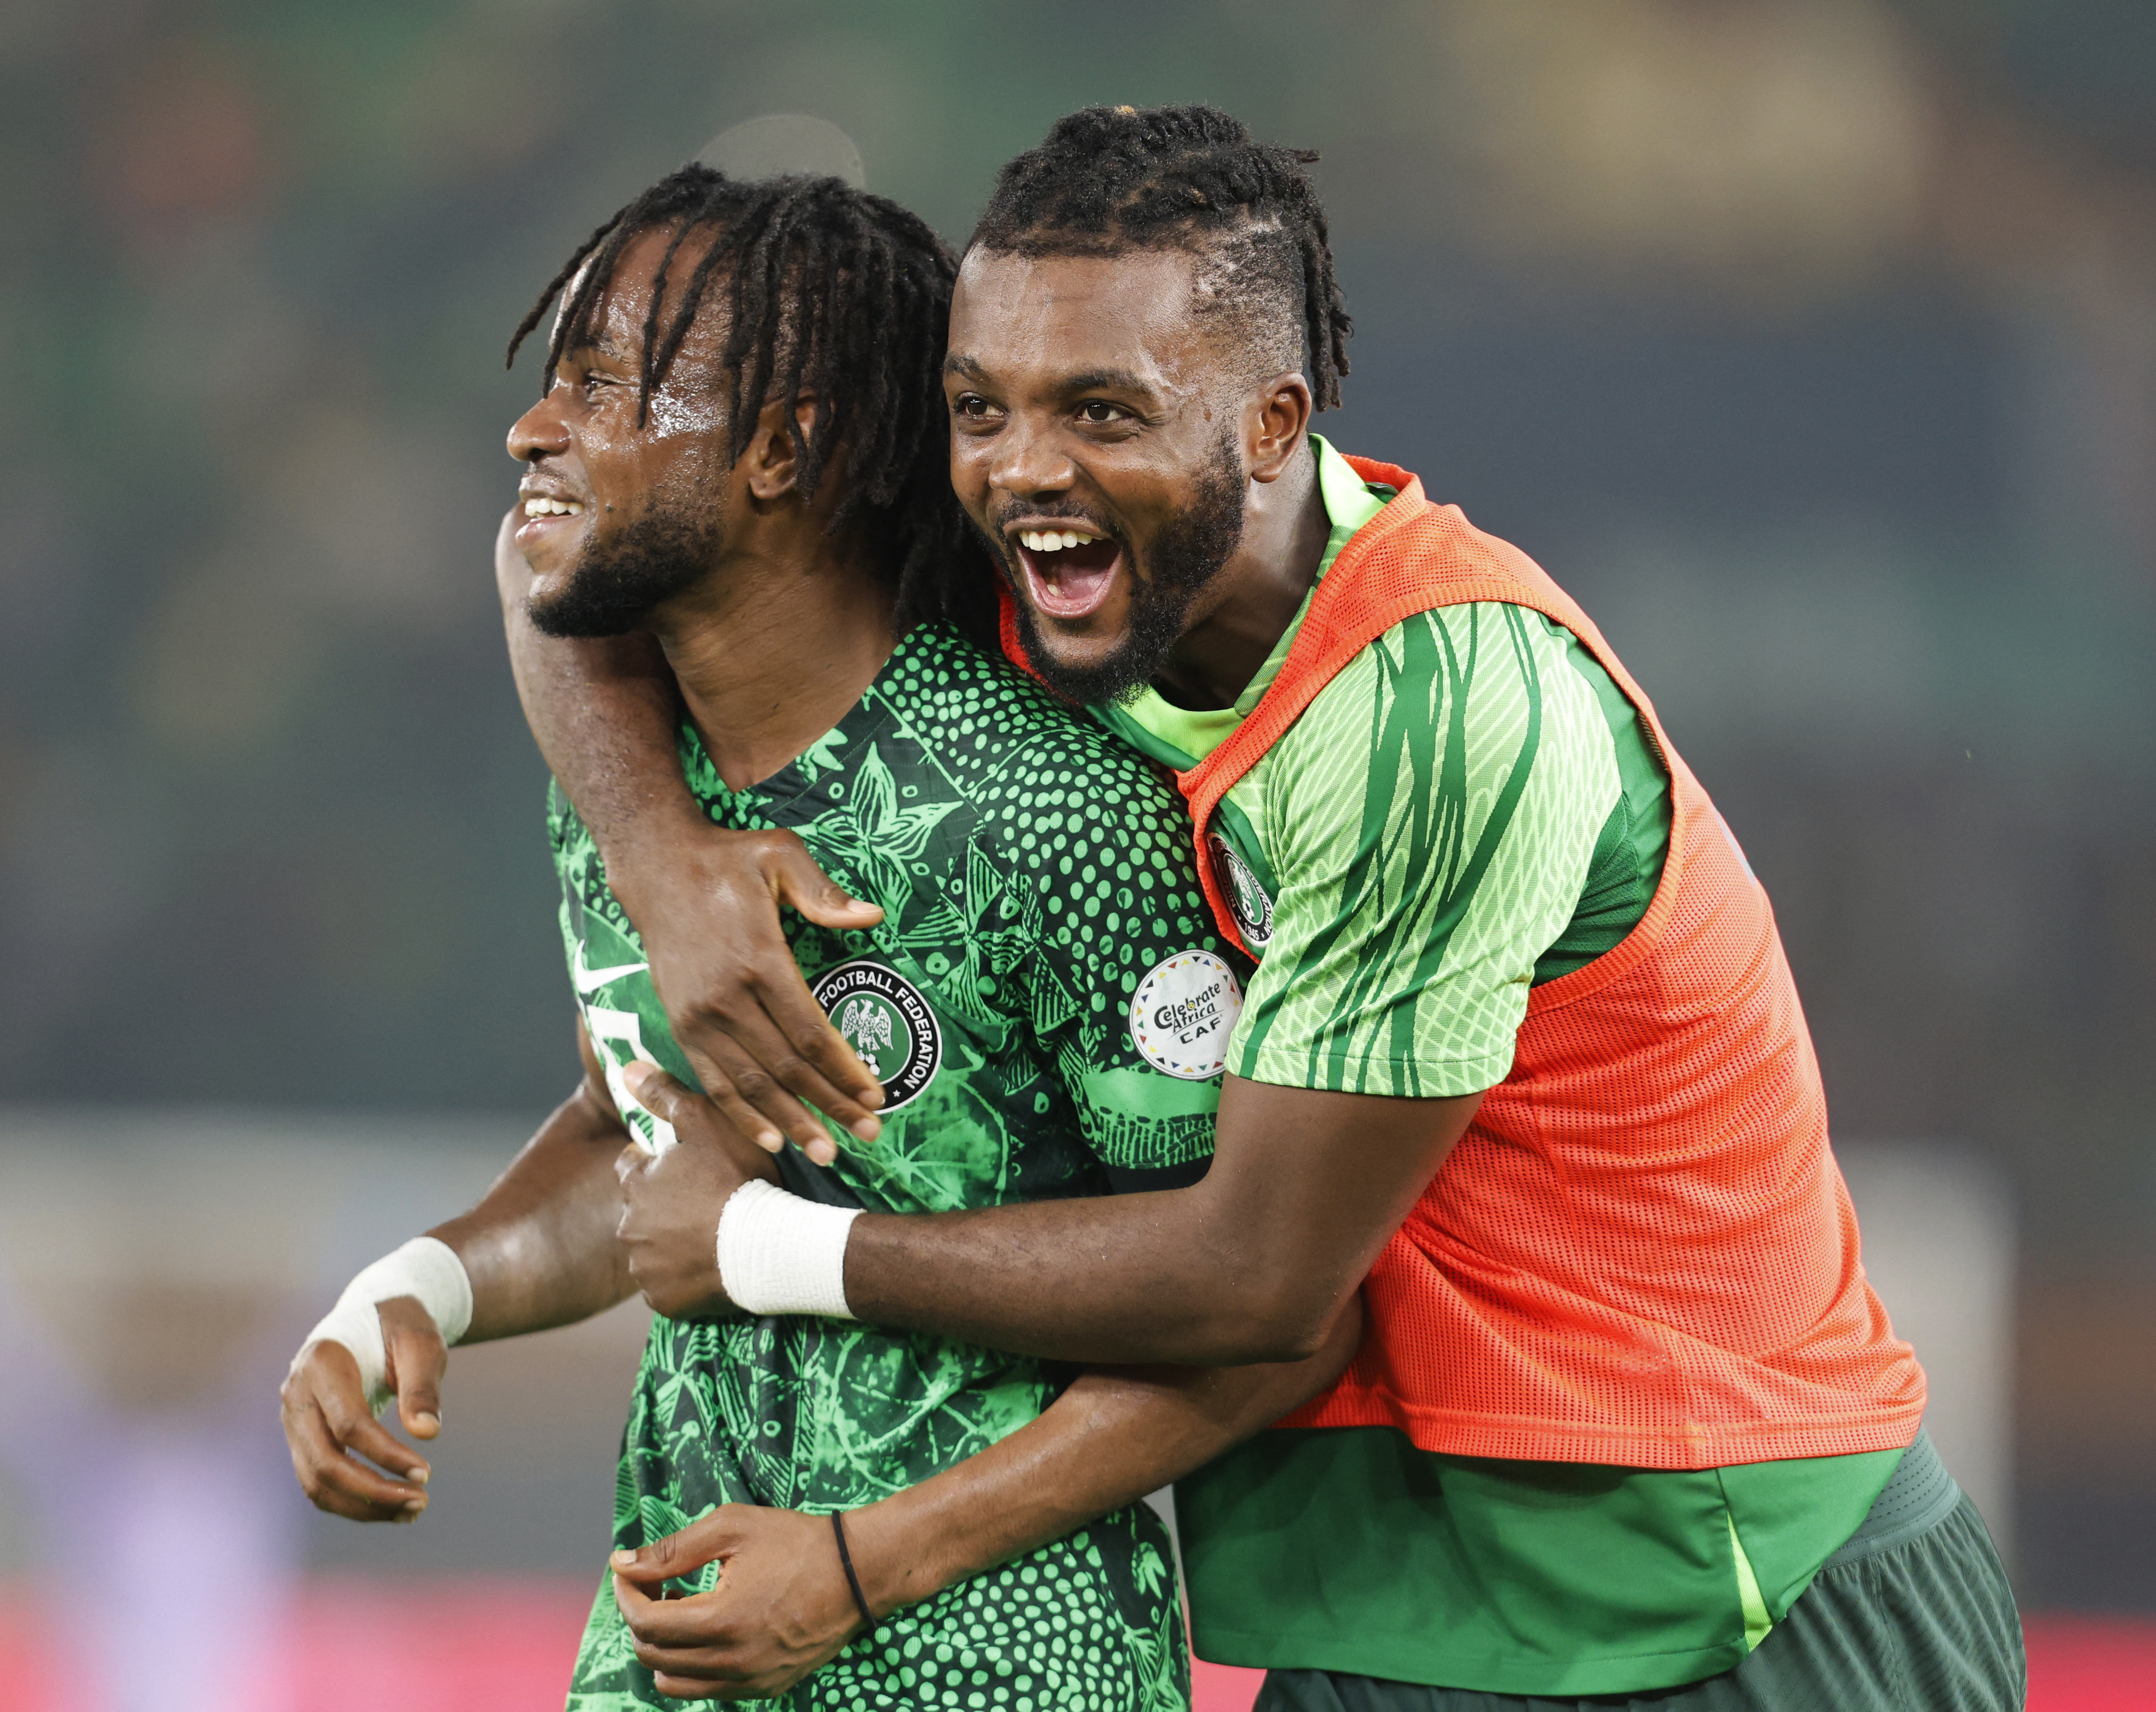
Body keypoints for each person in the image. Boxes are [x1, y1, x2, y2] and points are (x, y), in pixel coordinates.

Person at [548, 109, 2029, 1710]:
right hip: (1383, 1602)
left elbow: (1256, 1279)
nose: (1023, 467)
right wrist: (659, 854)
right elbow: (567, 544)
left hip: (1720, 1579)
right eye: (980, 408)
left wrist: (769, 1247)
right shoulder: (1046, 550)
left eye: (1102, 411)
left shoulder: (1436, 710)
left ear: (1269, 423)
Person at [278, 162, 1361, 1712]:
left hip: (985, 1664)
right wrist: (422, 1286)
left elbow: (1267, 1320)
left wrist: (868, 1558)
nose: (533, 429)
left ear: (785, 447)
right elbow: (643, 1142)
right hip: (678, 1649)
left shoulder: (1054, 816)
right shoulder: (627, 780)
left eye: (601, 383)